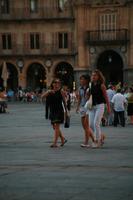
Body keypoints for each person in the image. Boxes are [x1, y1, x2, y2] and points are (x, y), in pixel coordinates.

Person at [41, 78, 67, 148]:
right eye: (55, 83)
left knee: (57, 126)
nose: (56, 84)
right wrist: (48, 92)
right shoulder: (50, 91)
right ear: (52, 84)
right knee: (54, 127)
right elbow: (42, 97)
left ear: (59, 85)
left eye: (58, 83)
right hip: (52, 111)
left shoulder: (61, 91)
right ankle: (62, 139)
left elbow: (65, 101)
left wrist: (67, 111)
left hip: (59, 111)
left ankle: (55, 143)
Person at [88, 69, 111, 148]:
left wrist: (108, 107)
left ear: (98, 77)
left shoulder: (102, 85)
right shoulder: (90, 85)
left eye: (95, 75)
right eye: (92, 75)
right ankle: (101, 136)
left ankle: (97, 141)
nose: (93, 76)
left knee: (96, 123)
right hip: (92, 106)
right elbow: (89, 96)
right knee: (91, 124)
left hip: (100, 106)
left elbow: (106, 97)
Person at [76, 74, 95, 148]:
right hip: (82, 107)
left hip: (88, 107)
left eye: (82, 79)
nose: (81, 81)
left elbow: (92, 98)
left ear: (86, 80)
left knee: (86, 126)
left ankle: (86, 142)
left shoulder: (90, 88)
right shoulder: (80, 88)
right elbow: (80, 98)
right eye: (80, 79)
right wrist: (78, 107)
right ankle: (95, 139)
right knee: (84, 127)